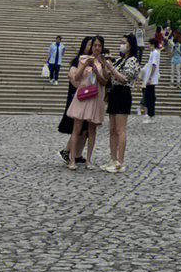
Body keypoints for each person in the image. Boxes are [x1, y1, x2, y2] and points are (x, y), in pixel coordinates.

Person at [65, 39, 109, 169]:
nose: (97, 48)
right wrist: (85, 65)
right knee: (77, 128)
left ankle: (88, 160)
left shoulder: (102, 62)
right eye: (95, 45)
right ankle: (72, 159)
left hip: (95, 97)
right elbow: (77, 77)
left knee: (92, 129)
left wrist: (97, 70)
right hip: (83, 95)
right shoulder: (83, 59)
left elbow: (105, 81)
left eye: (99, 46)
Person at [102, 33, 141, 170]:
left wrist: (111, 68)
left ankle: (120, 161)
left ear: (130, 45)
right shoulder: (119, 60)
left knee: (120, 129)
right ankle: (112, 159)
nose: (121, 45)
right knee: (112, 129)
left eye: (124, 42)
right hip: (114, 92)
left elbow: (124, 79)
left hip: (123, 92)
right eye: (121, 42)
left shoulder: (133, 61)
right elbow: (110, 77)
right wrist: (105, 67)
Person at [58, 36, 93, 162]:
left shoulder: (94, 61)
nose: (91, 47)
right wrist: (83, 89)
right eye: (89, 44)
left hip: (89, 97)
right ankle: (67, 151)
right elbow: (73, 77)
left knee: (85, 129)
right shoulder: (77, 61)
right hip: (78, 96)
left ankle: (77, 154)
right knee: (78, 128)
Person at [140, 37, 160, 120]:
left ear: (153, 45)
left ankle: (151, 113)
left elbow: (154, 66)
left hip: (151, 79)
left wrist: (150, 78)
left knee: (150, 96)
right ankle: (149, 113)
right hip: (149, 77)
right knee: (149, 96)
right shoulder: (152, 53)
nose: (148, 46)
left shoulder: (155, 53)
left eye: (149, 44)